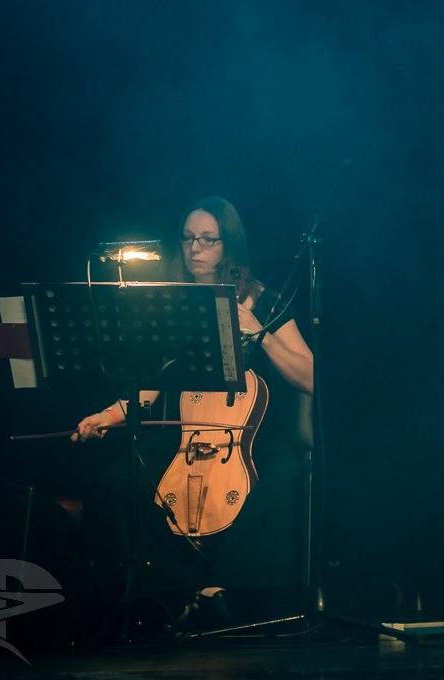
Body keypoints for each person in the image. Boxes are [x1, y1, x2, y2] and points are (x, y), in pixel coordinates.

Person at [73, 196, 314, 631]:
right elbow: (151, 381)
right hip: (189, 429)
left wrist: (258, 331)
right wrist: (108, 415)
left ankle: (230, 591)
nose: (195, 248)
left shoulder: (262, 299)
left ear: (229, 246)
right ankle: (164, 592)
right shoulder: (172, 301)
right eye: (187, 239)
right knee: (117, 482)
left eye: (208, 239)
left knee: (282, 477)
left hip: (249, 432)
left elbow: (310, 376)